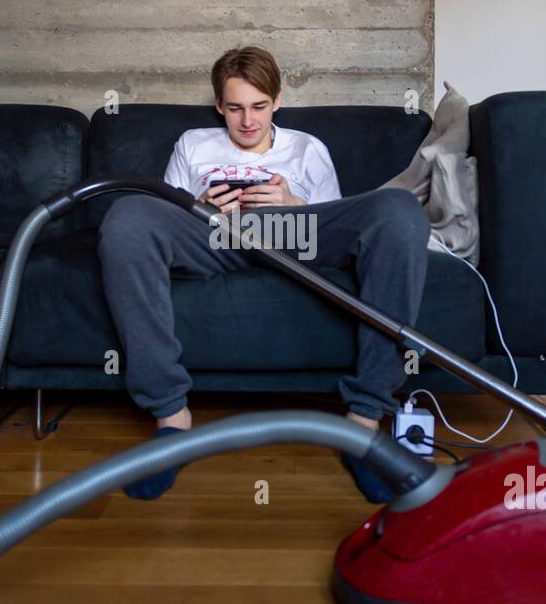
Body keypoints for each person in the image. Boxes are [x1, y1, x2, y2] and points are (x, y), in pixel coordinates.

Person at [98, 45, 430, 501]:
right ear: (219, 106)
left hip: (298, 238)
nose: (248, 121)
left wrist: (294, 204)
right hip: (215, 237)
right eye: (235, 108)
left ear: (276, 101)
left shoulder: (308, 148)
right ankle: (171, 418)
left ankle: (365, 423)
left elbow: (338, 223)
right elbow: (162, 217)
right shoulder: (193, 143)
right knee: (129, 214)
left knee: (398, 210)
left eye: (259, 106)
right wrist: (203, 209)